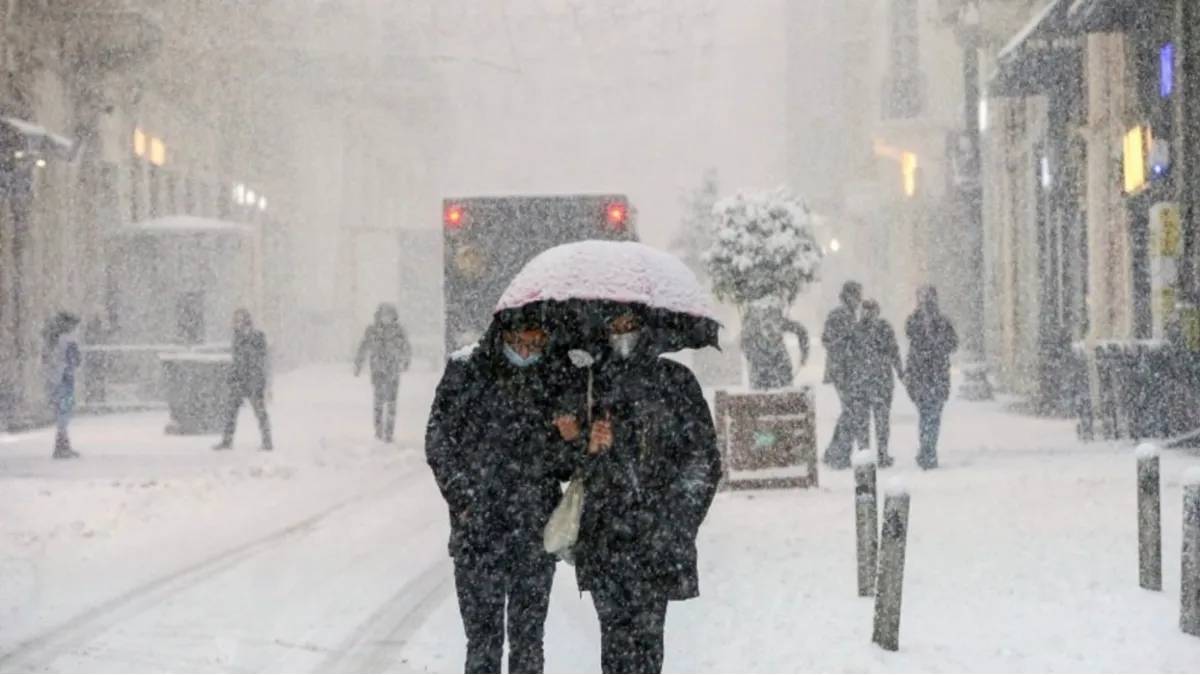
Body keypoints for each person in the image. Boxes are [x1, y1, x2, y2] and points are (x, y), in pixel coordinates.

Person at [556, 305, 722, 674]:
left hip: (654, 538)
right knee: (614, 641)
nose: (622, 332)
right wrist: (586, 444)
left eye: (630, 324)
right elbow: (563, 465)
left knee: (647, 644)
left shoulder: (675, 382)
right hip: (603, 537)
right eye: (614, 325)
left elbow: (703, 460)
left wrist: (676, 521)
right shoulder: (587, 384)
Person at [425, 308, 572, 674]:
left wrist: (568, 438)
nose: (526, 350)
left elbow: (565, 466)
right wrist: (464, 499)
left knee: (529, 643)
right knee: (482, 643)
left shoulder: (555, 376)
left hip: (535, 532)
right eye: (518, 341)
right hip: (478, 533)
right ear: (501, 336)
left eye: (536, 342)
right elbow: (438, 440)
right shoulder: (466, 371)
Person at [904, 286, 958, 469]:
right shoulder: (916, 322)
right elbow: (950, 344)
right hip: (926, 376)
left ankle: (927, 450)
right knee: (929, 415)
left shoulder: (939, 322)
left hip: (932, 376)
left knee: (930, 416)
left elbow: (951, 344)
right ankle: (928, 451)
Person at [821, 281, 866, 469]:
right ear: (848, 296)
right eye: (857, 296)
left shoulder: (849, 315)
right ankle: (838, 454)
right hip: (842, 371)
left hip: (847, 371)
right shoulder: (839, 315)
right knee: (851, 413)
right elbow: (828, 340)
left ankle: (835, 452)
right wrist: (846, 345)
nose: (859, 300)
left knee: (850, 413)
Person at [214, 309, 272, 451]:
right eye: (235, 320)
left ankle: (267, 441)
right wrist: (233, 378)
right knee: (231, 412)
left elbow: (262, 359)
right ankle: (227, 441)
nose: (236, 323)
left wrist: (262, 381)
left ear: (246, 320)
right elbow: (236, 360)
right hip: (239, 380)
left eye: (239, 320)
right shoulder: (237, 337)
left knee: (260, 412)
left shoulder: (258, 337)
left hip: (253, 380)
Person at [354, 303, 412, 442]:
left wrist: (405, 361)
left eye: (389, 315)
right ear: (379, 316)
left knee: (392, 402)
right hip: (378, 370)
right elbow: (363, 347)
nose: (386, 318)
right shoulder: (372, 331)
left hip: (393, 371)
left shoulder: (399, 331)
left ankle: (389, 433)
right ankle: (379, 430)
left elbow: (406, 348)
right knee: (379, 402)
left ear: (394, 317)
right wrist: (358, 364)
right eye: (384, 315)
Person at [858, 300, 903, 467]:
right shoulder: (882, 328)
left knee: (869, 422)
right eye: (866, 310)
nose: (868, 314)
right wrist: (900, 372)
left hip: (866, 381)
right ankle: (879, 455)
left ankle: (868, 456)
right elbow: (894, 352)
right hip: (878, 380)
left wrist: (900, 371)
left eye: (870, 310)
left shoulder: (859, 330)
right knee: (879, 421)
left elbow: (894, 352)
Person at [741, 299, 809, 390]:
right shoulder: (777, 322)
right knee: (783, 394)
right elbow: (801, 331)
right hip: (775, 367)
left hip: (764, 370)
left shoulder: (751, 326)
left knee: (762, 396)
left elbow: (744, 344)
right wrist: (804, 354)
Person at [43, 312, 82, 459]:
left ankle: (62, 445)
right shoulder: (68, 340)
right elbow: (76, 360)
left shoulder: (52, 340)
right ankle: (62, 446)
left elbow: (47, 360)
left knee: (61, 413)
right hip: (65, 379)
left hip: (55, 380)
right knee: (65, 413)